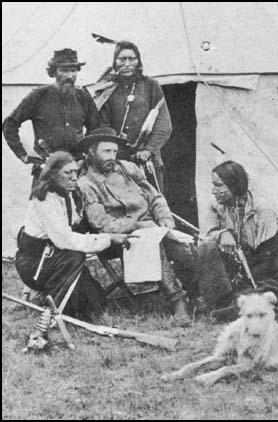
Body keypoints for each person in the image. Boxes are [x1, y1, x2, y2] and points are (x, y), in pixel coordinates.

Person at [77, 126, 192, 326]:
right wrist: (137, 225)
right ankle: (178, 301)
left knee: (182, 247)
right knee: (154, 245)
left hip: (152, 227)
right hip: (119, 238)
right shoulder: (86, 184)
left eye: (114, 151)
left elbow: (154, 196)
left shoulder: (128, 168)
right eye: (106, 151)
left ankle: (196, 292)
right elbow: (102, 225)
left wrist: (165, 219)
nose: (112, 156)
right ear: (91, 153)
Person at [15, 151, 130, 349]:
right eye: (67, 173)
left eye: (76, 172)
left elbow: (75, 226)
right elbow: (65, 240)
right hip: (35, 264)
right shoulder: (43, 199)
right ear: (52, 174)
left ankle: (53, 301)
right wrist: (108, 239)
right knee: (75, 255)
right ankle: (50, 314)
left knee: (96, 305)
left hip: (56, 259)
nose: (74, 178)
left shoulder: (67, 195)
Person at [195, 160, 278, 320]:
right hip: (230, 273)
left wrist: (246, 284)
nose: (213, 191)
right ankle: (232, 304)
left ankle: (238, 305)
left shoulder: (263, 211)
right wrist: (222, 234)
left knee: (265, 293)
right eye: (213, 185)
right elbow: (204, 236)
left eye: (218, 185)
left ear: (234, 185)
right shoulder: (216, 206)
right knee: (206, 248)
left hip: (262, 275)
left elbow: (268, 261)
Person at [2, 48, 100, 187]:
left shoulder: (83, 97)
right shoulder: (38, 95)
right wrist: (23, 154)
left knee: (77, 207)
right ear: (54, 72)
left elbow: (95, 129)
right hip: (46, 170)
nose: (70, 76)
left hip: (76, 170)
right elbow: (9, 124)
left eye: (73, 71)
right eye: (64, 71)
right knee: (44, 206)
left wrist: (85, 157)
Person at [89, 41, 172, 192]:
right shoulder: (108, 89)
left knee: (153, 203)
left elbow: (163, 123)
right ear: (115, 62)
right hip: (117, 160)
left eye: (131, 59)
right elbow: (103, 126)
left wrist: (148, 150)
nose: (127, 63)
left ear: (138, 62)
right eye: (122, 59)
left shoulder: (151, 86)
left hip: (147, 161)